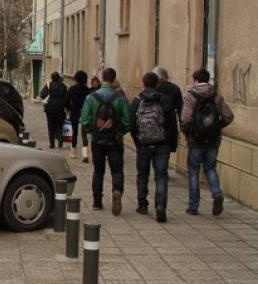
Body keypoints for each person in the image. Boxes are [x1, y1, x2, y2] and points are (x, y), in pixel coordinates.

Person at [181, 68, 234, 216]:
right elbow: (229, 116)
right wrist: (217, 127)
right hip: (213, 139)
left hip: (195, 139)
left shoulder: (191, 96)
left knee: (193, 172)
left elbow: (185, 119)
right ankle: (216, 193)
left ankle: (193, 206)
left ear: (196, 80)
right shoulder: (216, 96)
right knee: (210, 168)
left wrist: (188, 131)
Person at [80, 67, 131, 215]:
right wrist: (119, 132)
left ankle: (97, 201)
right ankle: (116, 191)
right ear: (114, 79)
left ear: (102, 78)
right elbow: (128, 121)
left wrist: (93, 131)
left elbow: (85, 120)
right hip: (115, 140)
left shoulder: (91, 97)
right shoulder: (120, 98)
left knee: (98, 170)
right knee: (116, 170)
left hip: (98, 140)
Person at [130, 72, 178, 223]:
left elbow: (132, 125)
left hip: (143, 144)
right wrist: (172, 144)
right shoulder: (165, 100)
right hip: (162, 144)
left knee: (142, 175)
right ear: (157, 84)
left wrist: (137, 142)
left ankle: (142, 205)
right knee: (161, 176)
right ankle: (160, 206)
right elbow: (171, 124)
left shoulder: (137, 100)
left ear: (143, 83)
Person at [65, 70, 91, 162]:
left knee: (74, 133)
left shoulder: (72, 89)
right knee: (84, 134)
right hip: (85, 112)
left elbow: (66, 101)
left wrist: (69, 109)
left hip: (75, 111)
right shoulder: (88, 90)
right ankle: (85, 154)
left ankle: (73, 152)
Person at [40, 72, 68, 149]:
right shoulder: (63, 86)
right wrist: (65, 107)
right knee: (60, 125)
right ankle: (60, 138)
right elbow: (66, 98)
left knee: (51, 126)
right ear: (58, 78)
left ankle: (52, 144)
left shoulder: (48, 85)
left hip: (50, 108)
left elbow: (42, 94)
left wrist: (49, 97)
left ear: (51, 78)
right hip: (60, 108)